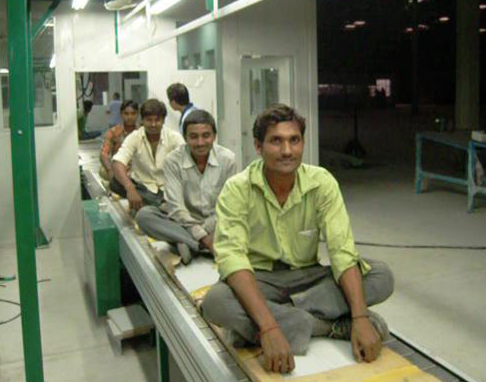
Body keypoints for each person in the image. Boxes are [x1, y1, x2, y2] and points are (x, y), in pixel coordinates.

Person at [201, 104, 394, 374]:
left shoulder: (321, 183)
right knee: (215, 302)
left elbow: (342, 251)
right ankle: (326, 326)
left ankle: (263, 325)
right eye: (276, 141)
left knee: (381, 276)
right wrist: (269, 328)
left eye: (294, 140)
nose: (287, 151)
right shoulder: (238, 189)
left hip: (310, 277)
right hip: (261, 280)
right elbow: (233, 260)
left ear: (303, 143)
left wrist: (361, 317)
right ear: (258, 146)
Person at [136, 110, 236, 264]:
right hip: (183, 221)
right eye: (194, 137)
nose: (200, 142)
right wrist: (205, 238)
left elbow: (229, 206)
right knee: (144, 215)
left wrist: (205, 228)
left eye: (206, 136)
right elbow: (176, 207)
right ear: (185, 138)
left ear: (214, 136)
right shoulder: (173, 161)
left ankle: (184, 242)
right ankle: (200, 245)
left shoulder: (228, 159)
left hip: (216, 222)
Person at [111, 99, 184, 210]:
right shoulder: (135, 137)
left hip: (167, 188)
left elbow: (186, 163)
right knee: (115, 182)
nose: (153, 124)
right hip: (142, 187)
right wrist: (130, 188)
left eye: (157, 120)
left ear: (163, 120)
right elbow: (118, 162)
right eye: (149, 120)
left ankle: (156, 205)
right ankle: (158, 205)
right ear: (142, 120)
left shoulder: (174, 137)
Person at [99, 100, 139, 182]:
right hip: (119, 167)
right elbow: (104, 153)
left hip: (137, 169)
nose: (130, 117)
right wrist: (110, 170)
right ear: (121, 114)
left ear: (137, 114)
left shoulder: (142, 132)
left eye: (133, 113)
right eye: (126, 114)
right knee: (103, 171)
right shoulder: (114, 132)